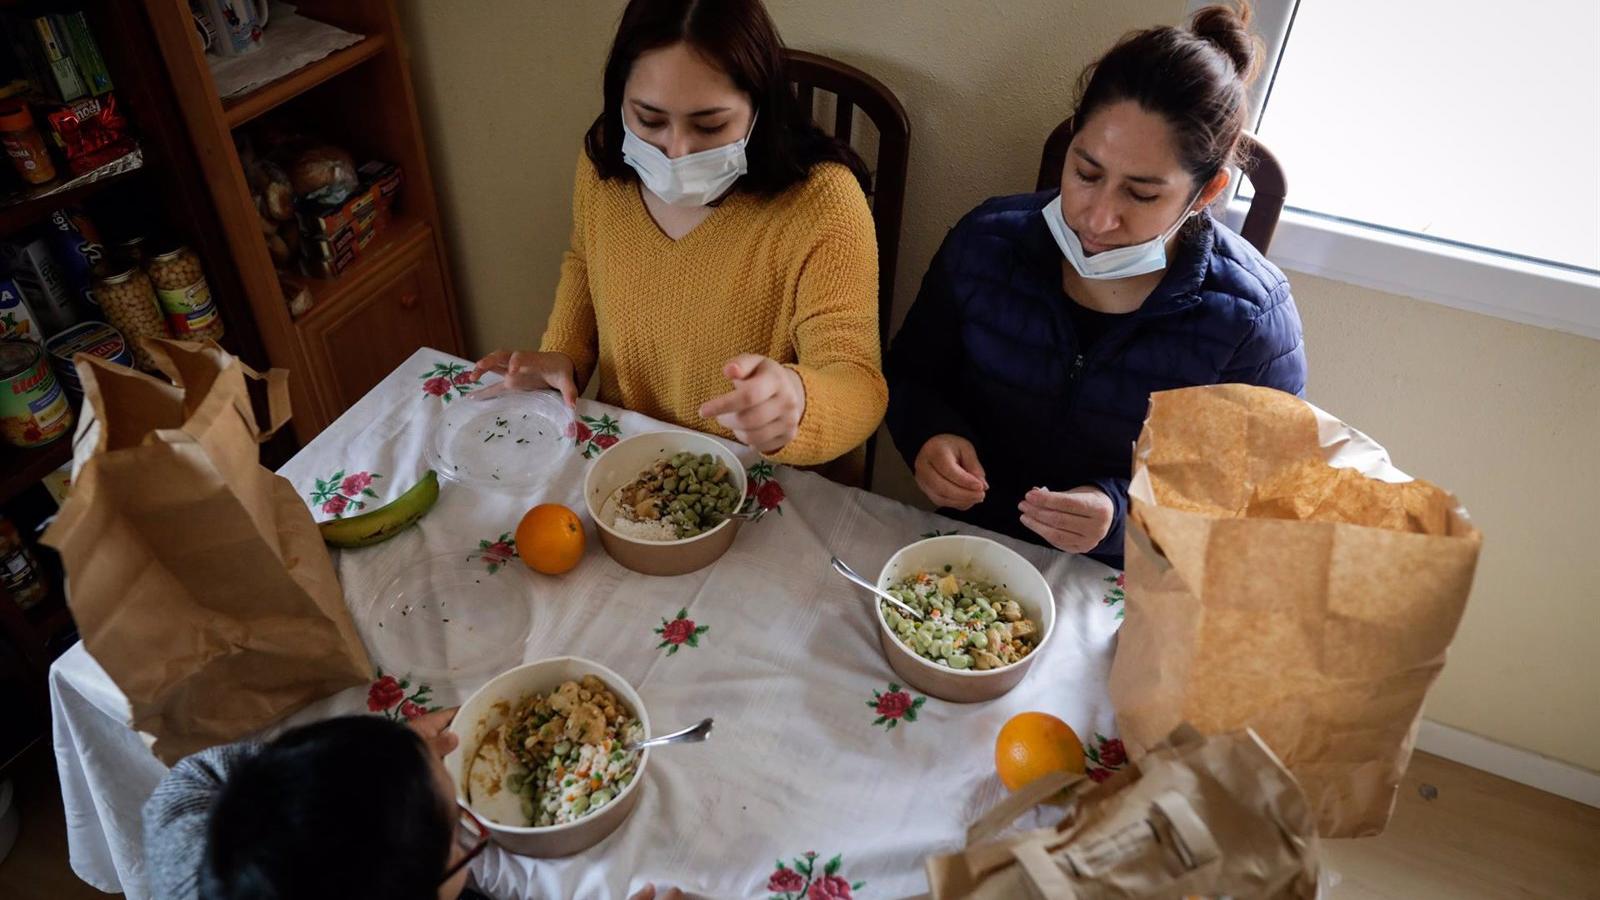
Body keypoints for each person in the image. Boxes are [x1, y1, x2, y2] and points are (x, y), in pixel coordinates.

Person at [886, 2, 1306, 567]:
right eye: (1085, 172)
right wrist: (928, 437)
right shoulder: (986, 244)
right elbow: (912, 374)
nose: (1096, 218)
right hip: (970, 551)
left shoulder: (1250, 321)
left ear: (1205, 194)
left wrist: (1119, 516)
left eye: (1141, 194)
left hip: (1123, 578)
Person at [472, 0, 887, 479]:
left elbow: (858, 382)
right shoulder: (607, 160)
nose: (675, 151)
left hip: (767, 484)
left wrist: (798, 404)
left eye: (710, 126)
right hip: (634, 464)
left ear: (759, 109)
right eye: (648, 120)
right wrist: (564, 353)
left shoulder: (822, 203)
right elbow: (586, 263)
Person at [142, 709, 681, 900]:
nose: (471, 831)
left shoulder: (192, 852)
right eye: (457, 833)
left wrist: (385, 759)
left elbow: (189, 779)